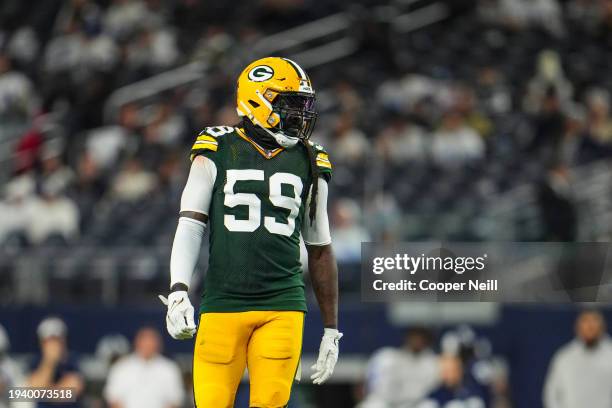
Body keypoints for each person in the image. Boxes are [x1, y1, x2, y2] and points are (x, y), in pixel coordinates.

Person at [159, 56, 342, 407]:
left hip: (282, 305)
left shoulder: (311, 159)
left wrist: (332, 328)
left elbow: (320, 246)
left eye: (303, 105)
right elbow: (191, 222)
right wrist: (179, 289)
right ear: (258, 99)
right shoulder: (217, 147)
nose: (300, 115)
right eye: (290, 104)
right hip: (223, 302)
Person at [543, 309, 612, 408]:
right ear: (578, 327)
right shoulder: (564, 357)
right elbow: (551, 394)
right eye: (586, 322)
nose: (590, 327)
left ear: (602, 326)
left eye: (594, 322)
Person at [103, 327, 184, 408]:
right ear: (137, 342)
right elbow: (113, 399)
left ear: (158, 344)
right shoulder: (121, 367)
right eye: (144, 340)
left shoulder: (169, 368)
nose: (147, 345)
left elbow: (175, 400)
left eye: (151, 341)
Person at [361, 327, 439, 407]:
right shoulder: (387, 357)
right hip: (386, 403)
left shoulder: (431, 362)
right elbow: (367, 385)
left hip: (413, 404)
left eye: (421, 337)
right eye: (414, 336)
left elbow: (431, 391)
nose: (417, 340)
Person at [27, 317, 84, 408]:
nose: (54, 345)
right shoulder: (35, 362)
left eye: (57, 340)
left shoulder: (72, 362)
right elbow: (33, 390)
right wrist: (50, 362)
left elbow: (71, 392)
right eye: (49, 341)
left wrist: (45, 391)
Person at [419, 354, 486, 408]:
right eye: (444, 371)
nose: (446, 375)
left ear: (459, 370)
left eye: (450, 371)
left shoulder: (474, 391)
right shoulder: (435, 395)